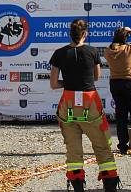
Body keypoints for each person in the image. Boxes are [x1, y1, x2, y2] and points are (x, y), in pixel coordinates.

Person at [50, 19, 119, 192]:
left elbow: (53, 84)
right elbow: (95, 77)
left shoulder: (59, 54)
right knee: (102, 146)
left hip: (68, 103)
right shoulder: (93, 51)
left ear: (70, 34)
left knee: (73, 150)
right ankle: (110, 186)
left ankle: (78, 187)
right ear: (85, 34)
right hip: (90, 102)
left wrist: (68, 83)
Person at [104, 26, 131, 155]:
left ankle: (123, 145)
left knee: (121, 115)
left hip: (115, 83)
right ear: (126, 38)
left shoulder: (108, 51)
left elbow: (114, 46)